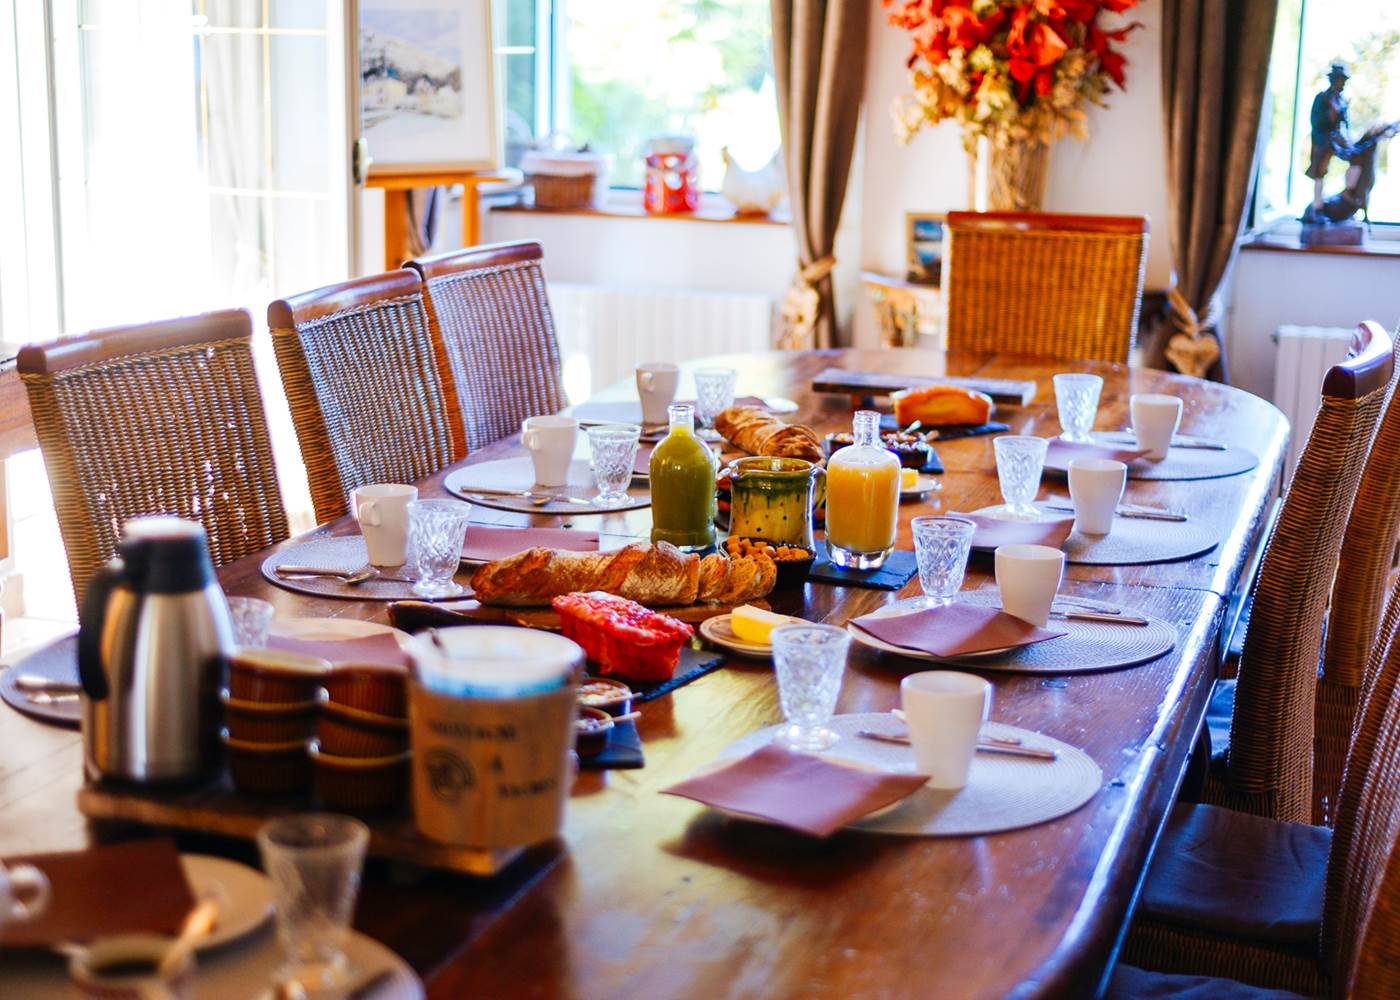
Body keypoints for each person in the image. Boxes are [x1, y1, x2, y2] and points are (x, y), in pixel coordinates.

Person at [1307, 63, 1351, 212]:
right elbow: (1315, 120)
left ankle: (1349, 194)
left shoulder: (1342, 100)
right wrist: (1329, 118)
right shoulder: (1322, 98)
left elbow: (1345, 123)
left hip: (1338, 138)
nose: (1342, 83)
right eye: (1340, 80)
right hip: (1324, 139)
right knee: (1320, 170)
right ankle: (1317, 204)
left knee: (1355, 156)